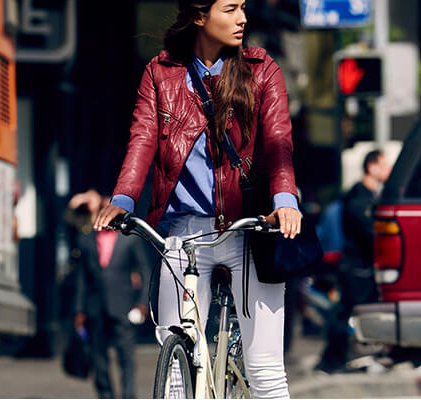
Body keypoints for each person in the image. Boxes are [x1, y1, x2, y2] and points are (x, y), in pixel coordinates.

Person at [93, 1, 302, 397]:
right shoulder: (160, 72)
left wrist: (285, 199)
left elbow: (279, 142)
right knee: (177, 367)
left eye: (243, 8)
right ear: (200, 17)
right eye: (231, 9)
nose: (242, 18)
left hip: (247, 231)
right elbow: (142, 139)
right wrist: (124, 197)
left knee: (265, 370)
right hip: (184, 232)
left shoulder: (261, 70)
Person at [69, 189, 153, 399]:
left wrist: (142, 303)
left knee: (126, 357)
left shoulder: (129, 240)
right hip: (95, 307)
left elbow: (145, 270)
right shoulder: (87, 239)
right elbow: (81, 278)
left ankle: (128, 396)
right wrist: (79, 310)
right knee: (99, 358)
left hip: (123, 306)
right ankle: (106, 396)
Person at [316, 149, 391, 373]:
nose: (388, 170)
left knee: (348, 312)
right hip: (356, 267)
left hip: (360, 266)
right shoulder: (359, 198)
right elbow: (370, 233)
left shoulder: (369, 196)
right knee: (346, 313)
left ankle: (338, 359)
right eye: (384, 164)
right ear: (372, 167)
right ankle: (331, 361)